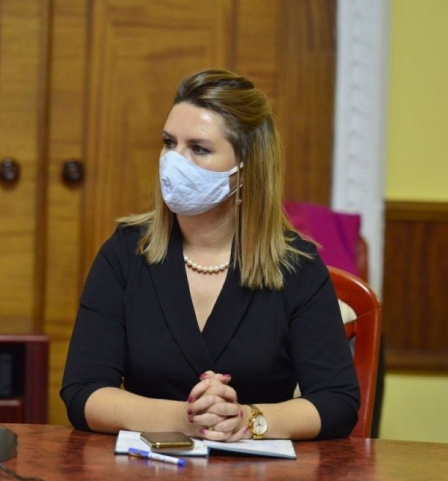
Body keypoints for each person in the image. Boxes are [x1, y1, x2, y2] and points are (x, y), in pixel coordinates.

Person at [61, 68, 359, 442]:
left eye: (198, 148)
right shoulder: (126, 252)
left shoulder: (297, 265)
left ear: (246, 169)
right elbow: (83, 391)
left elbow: (337, 401)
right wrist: (186, 418)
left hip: (260, 473)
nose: (174, 161)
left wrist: (247, 420)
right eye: (169, 143)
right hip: (149, 469)